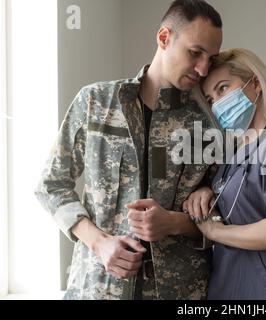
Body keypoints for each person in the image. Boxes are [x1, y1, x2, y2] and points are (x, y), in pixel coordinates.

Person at [35, 0, 222, 300]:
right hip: (97, 289)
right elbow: (50, 184)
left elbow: (225, 217)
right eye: (195, 52)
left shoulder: (208, 126)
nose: (202, 69)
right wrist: (98, 243)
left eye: (210, 59)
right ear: (164, 38)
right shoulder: (95, 102)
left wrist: (174, 222)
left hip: (180, 294)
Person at [183, 48, 266, 300]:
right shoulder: (234, 157)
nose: (216, 104)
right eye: (211, 99)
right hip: (226, 289)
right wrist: (207, 192)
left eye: (223, 88)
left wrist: (215, 233)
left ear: (255, 83)